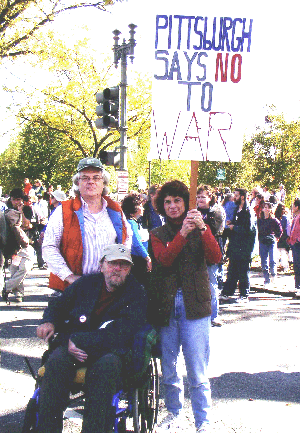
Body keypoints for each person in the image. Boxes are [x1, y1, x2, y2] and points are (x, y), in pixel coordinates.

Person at [36, 244, 148, 433]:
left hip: (110, 350)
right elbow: (59, 305)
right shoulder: (86, 283)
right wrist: (49, 322)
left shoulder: (136, 293)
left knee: (106, 369)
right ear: (102, 265)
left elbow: (121, 332)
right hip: (73, 344)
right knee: (55, 364)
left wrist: (79, 340)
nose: (117, 269)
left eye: (123, 265)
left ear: (129, 270)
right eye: (113, 263)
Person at [148, 180, 222, 433]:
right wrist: (181, 235)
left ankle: (204, 422)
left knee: (197, 369)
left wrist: (202, 229)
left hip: (196, 304)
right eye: (167, 202)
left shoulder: (202, 228)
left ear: (186, 202)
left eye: (177, 200)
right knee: (169, 367)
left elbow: (216, 257)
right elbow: (165, 260)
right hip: (167, 305)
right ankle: (174, 413)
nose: (172, 206)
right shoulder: (157, 234)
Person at [42, 157, 132, 292]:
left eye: (96, 178)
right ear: (77, 183)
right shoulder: (63, 210)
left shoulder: (115, 211)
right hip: (73, 288)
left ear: (103, 183)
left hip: (108, 289)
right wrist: (69, 277)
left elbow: (127, 240)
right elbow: (49, 247)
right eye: (85, 178)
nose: (91, 182)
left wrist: (117, 271)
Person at [196, 184, 225, 327]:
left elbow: (216, 229)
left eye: (203, 197)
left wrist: (202, 223)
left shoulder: (216, 211)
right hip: (195, 251)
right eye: (198, 197)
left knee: (211, 284)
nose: (200, 199)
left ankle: (214, 315)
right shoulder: (193, 211)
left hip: (211, 252)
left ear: (210, 198)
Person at [220, 188, 256, 302]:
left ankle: (244, 295)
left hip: (244, 247)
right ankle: (227, 292)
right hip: (235, 245)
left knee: (243, 271)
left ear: (242, 197)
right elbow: (239, 223)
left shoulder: (248, 211)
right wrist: (232, 223)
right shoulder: (237, 210)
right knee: (232, 269)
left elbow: (248, 229)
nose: (233, 197)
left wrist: (234, 227)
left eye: (235, 195)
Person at [3, 188, 34, 302]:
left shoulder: (27, 209)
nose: (17, 202)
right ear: (10, 199)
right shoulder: (7, 211)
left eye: (19, 200)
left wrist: (21, 212)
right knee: (14, 269)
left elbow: (28, 224)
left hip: (25, 245)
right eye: (14, 200)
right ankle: (19, 294)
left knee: (25, 268)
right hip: (13, 247)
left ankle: (6, 287)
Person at [121, 193, 152, 287]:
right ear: (133, 209)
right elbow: (137, 244)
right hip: (137, 260)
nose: (143, 208)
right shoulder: (131, 223)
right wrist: (147, 258)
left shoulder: (133, 222)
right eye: (140, 206)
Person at [257, 202, 282, 288]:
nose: (266, 209)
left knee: (272, 259)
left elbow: (280, 230)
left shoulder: (274, 220)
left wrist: (276, 237)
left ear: (270, 209)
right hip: (263, 241)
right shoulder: (260, 220)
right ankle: (266, 279)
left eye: (267, 207)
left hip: (271, 241)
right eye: (264, 207)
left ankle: (274, 275)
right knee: (264, 261)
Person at [287, 198, 300, 295]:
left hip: (297, 244)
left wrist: (297, 240)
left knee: (298, 265)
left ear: (297, 207)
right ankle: (297, 286)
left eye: (293, 206)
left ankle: (298, 286)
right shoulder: (296, 217)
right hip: (294, 243)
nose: (292, 208)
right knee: (296, 265)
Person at [274, 202, 291, 273]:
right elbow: (288, 228)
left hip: (277, 236)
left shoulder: (275, 217)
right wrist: (289, 236)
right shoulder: (285, 218)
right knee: (284, 252)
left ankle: (275, 266)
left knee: (276, 252)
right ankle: (285, 267)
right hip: (284, 237)